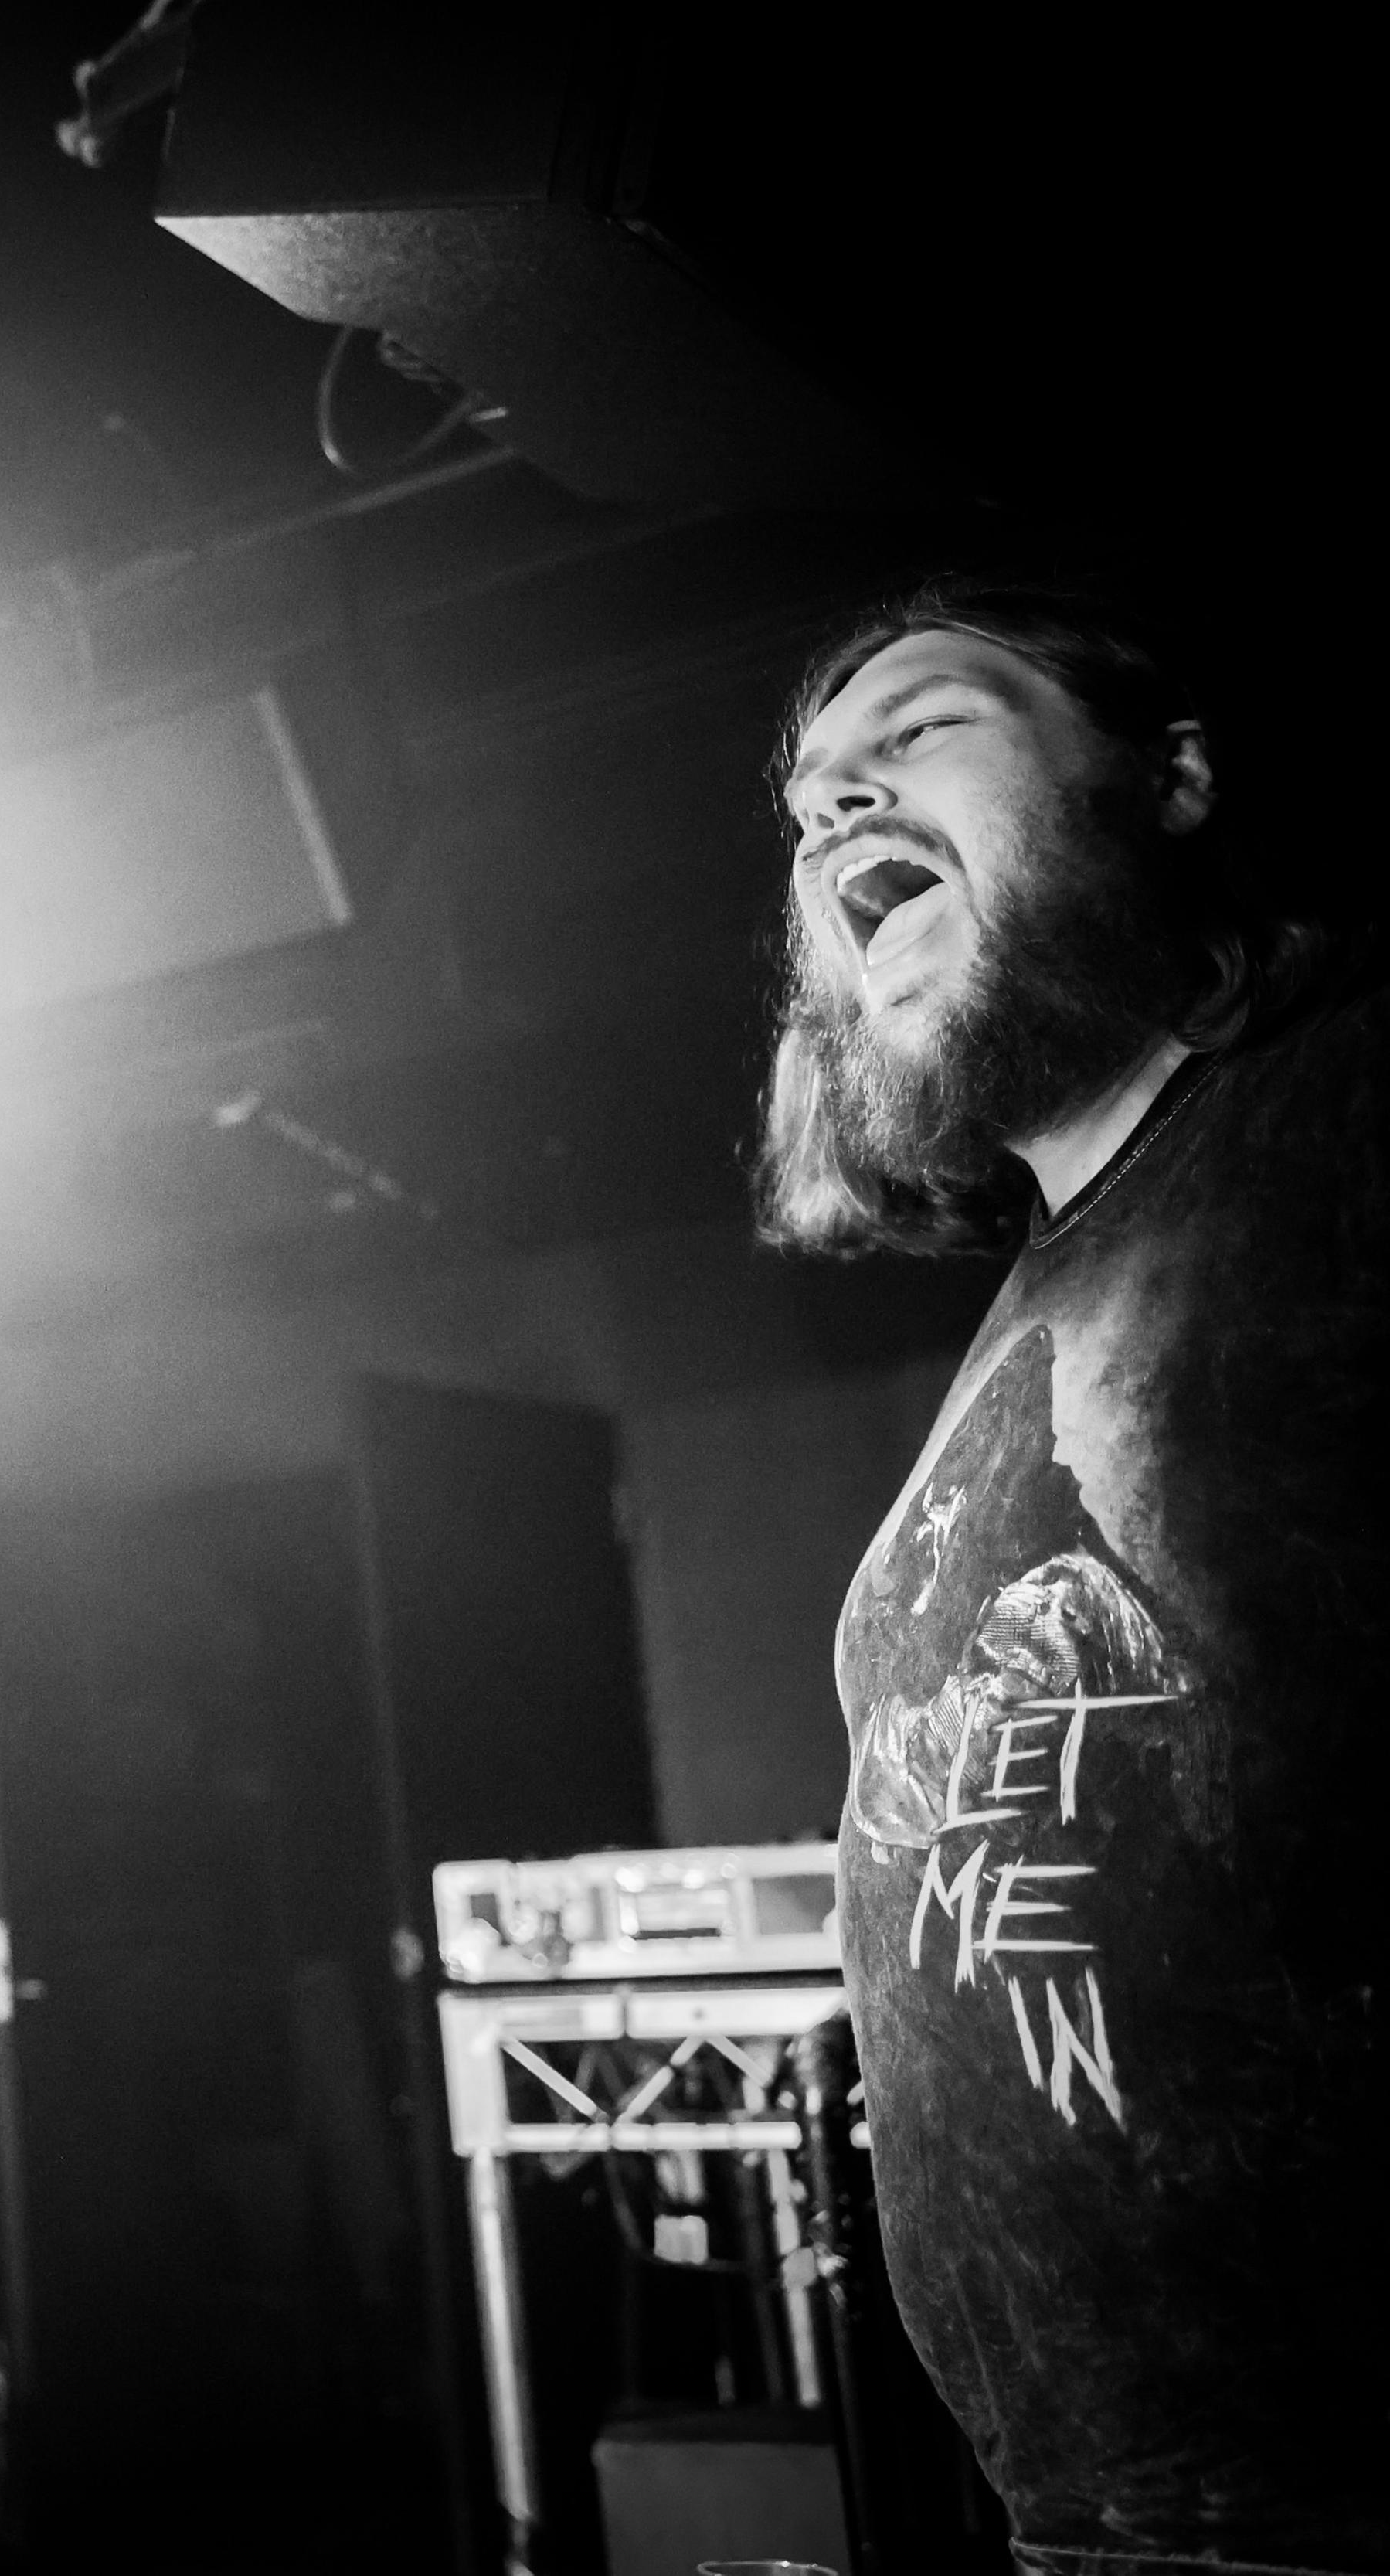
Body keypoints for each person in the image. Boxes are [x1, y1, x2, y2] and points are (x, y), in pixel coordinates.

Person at [765, 577, 1385, 2574]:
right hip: (1102, 2526)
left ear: (1172, 774)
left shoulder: (1348, 1094)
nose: (839, 804)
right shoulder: (1048, 1276)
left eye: (922, 729)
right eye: (806, 809)